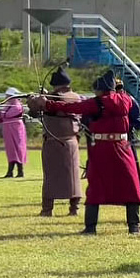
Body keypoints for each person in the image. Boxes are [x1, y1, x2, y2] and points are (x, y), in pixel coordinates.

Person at [27, 70, 140, 235]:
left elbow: (71, 107)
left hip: (102, 148)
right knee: (130, 186)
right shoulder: (126, 99)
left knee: (96, 188)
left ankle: (90, 227)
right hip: (123, 147)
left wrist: (47, 104)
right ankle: (134, 226)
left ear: (100, 90)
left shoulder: (97, 103)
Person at [31, 67, 82, 216]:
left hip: (55, 142)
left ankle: (47, 210)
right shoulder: (75, 96)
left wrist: (35, 99)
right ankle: (74, 208)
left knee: (51, 178)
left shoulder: (57, 98)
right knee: (73, 177)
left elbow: (35, 107)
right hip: (70, 142)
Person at [0, 87, 27, 178]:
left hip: (16, 128)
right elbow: (4, 117)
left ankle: (20, 171)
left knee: (18, 148)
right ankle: (10, 171)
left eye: (8, 96)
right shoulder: (8, 105)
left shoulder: (17, 106)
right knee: (11, 149)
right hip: (8, 128)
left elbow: (8, 115)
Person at [115, 78, 140, 191]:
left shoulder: (130, 100)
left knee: (132, 162)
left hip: (128, 135)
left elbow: (138, 121)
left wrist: (127, 126)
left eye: (120, 88)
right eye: (116, 88)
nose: (118, 90)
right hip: (113, 136)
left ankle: (136, 186)